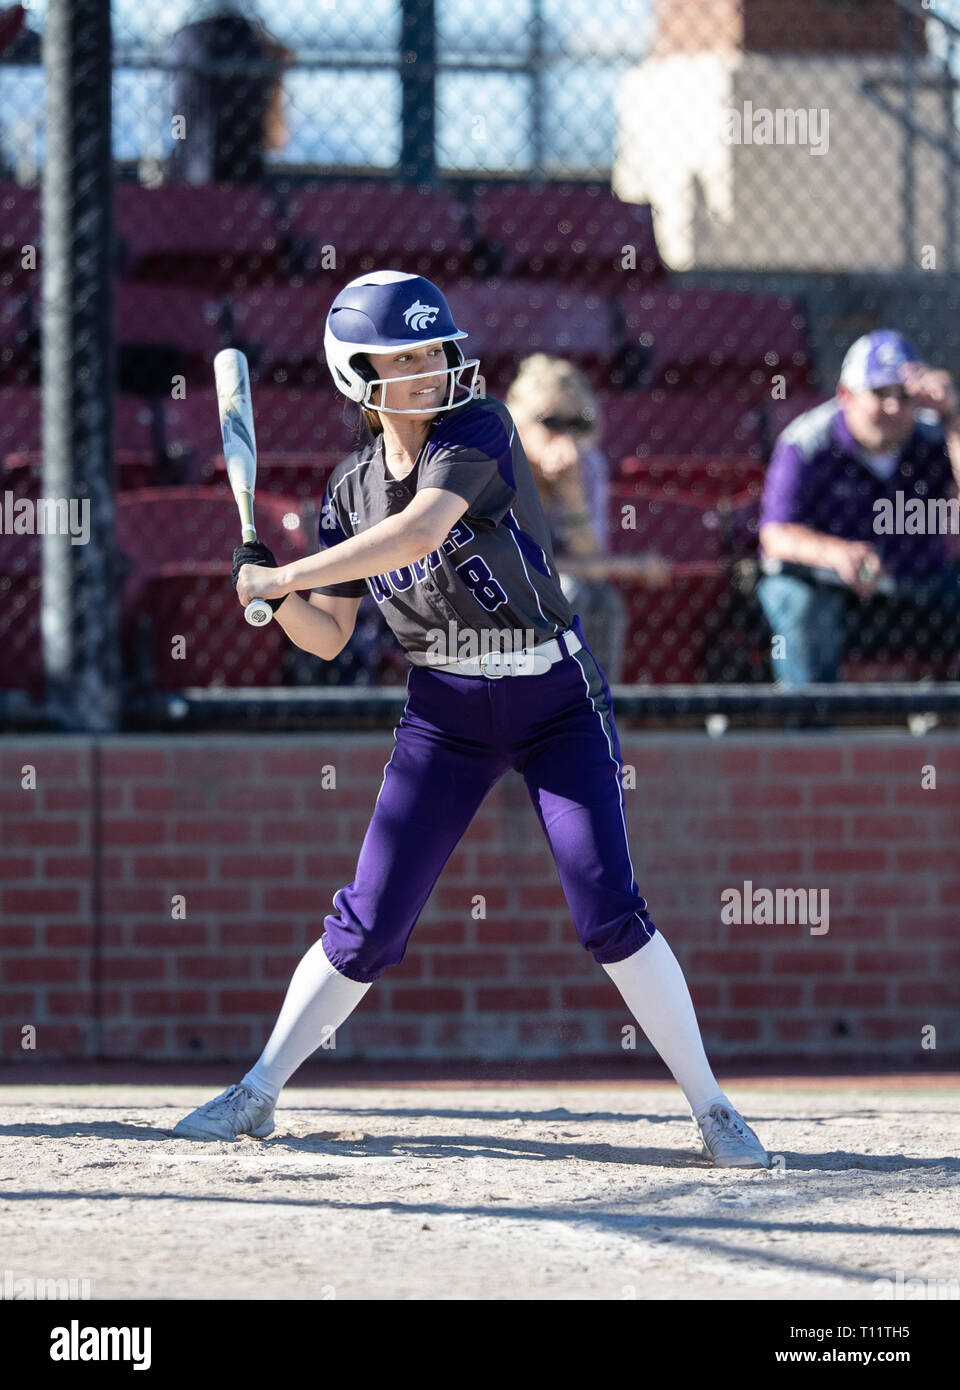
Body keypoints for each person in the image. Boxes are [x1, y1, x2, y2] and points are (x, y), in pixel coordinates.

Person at [171, 270, 769, 1169]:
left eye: (432, 349)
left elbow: (419, 532)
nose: (428, 367)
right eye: (402, 357)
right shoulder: (347, 493)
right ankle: (257, 1090)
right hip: (444, 710)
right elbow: (329, 636)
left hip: (553, 696)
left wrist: (287, 576)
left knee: (607, 905)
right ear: (357, 373)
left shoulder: (479, 430)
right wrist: (268, 592)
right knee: (369, 921)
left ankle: (714, 1110)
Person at [757, 329, 960, 684]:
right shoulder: (807, 443)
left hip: (923, 586)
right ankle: (811, 731)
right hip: (835, 590)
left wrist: (952, 416)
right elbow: (776, 534)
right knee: (793, 598)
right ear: (845, 395)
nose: (894, 407)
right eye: (881, 393)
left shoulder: (933, 435)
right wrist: (837, 554)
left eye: (904, 395)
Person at [505, 355, 669, 683]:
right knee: (568, 592)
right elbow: (526, 570)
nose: (565, 438)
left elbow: (590, 560)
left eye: (577, 424)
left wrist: (571, 492)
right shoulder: (500, 467)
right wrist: (632, 567)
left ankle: (599, 713)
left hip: (559, 583)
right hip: (493, 595)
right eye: (551, 423)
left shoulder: (588, 466)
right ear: (519, 423)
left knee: (603, 599)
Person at [164, 2, 292, 185]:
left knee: (185, 121)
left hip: (194, 37)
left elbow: (179, 114)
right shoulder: (252, 42)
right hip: (239, 175)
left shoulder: (186, 40)